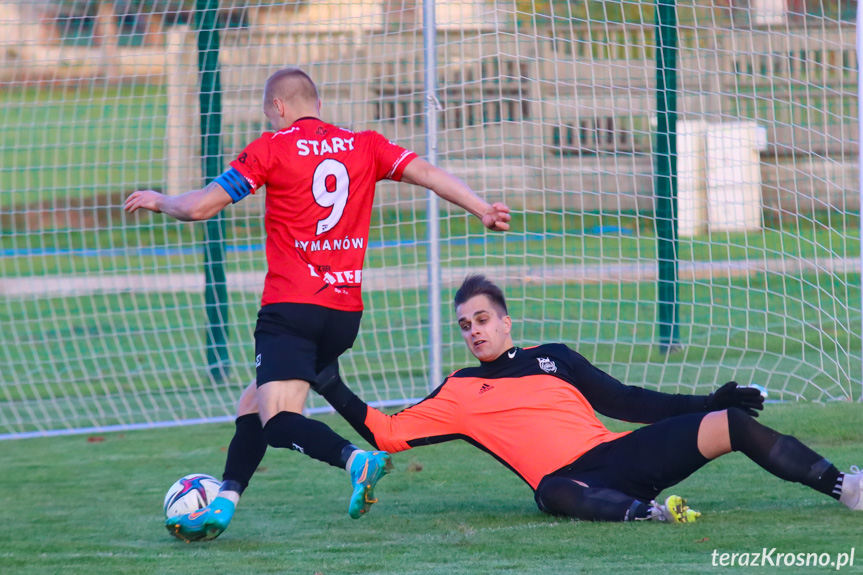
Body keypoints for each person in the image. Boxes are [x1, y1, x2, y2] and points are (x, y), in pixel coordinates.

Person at [124, 68, 511, 541]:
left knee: (278, 420)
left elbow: (201, 206)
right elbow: (428, 173)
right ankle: (224, 502)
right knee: (253, 405)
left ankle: (356, 460)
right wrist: (482, 208)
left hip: (292, 308)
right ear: (319, 105)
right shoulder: (363, 144)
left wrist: (161, 200)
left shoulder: (271, 146)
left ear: (278, 108)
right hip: (344, 316)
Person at [314, 274, 863, 523]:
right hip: (572, 482)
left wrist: (706, 400)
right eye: (464, 325)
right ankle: (648, 515)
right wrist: (331, 383)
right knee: (549, 492)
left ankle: (845, 487)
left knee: (731, 424)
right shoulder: (458, 391)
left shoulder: (555, 356)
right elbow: (387, 433)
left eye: (482, 319)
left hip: (619, 456)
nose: (474, 331)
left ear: (506, 321)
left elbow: (626, 401)